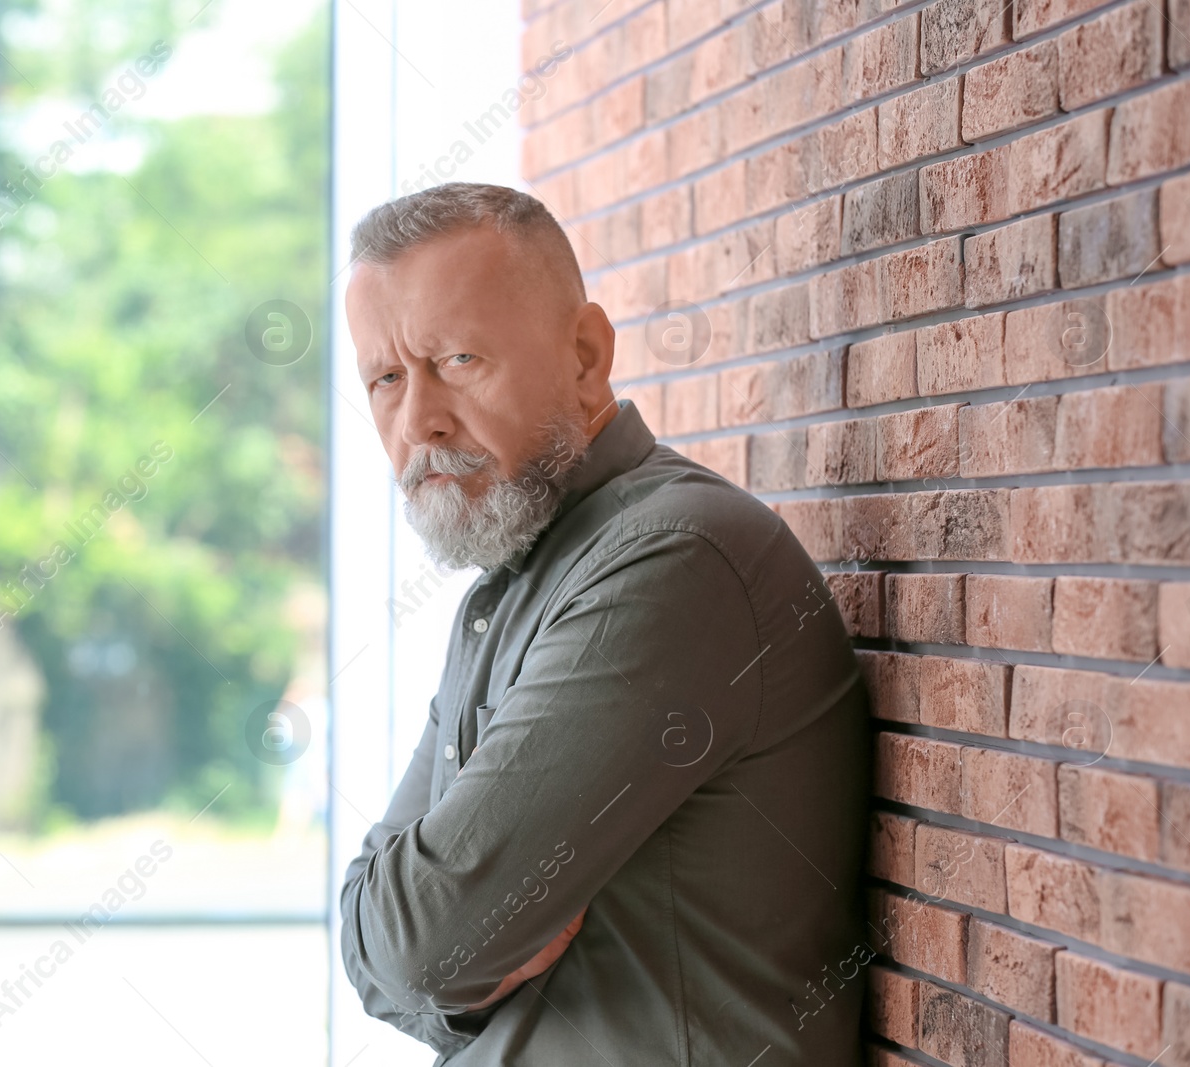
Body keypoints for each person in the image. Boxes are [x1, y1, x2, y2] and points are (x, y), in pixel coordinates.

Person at [338, 181, 870, 1066]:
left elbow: (423, 948)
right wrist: (442, 966)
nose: (419, 421)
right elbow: (378, 939)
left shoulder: (672, 561)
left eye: (460, 360)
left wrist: (451, 962)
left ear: (586, 355)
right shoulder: (513, 585)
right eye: (387, 379)